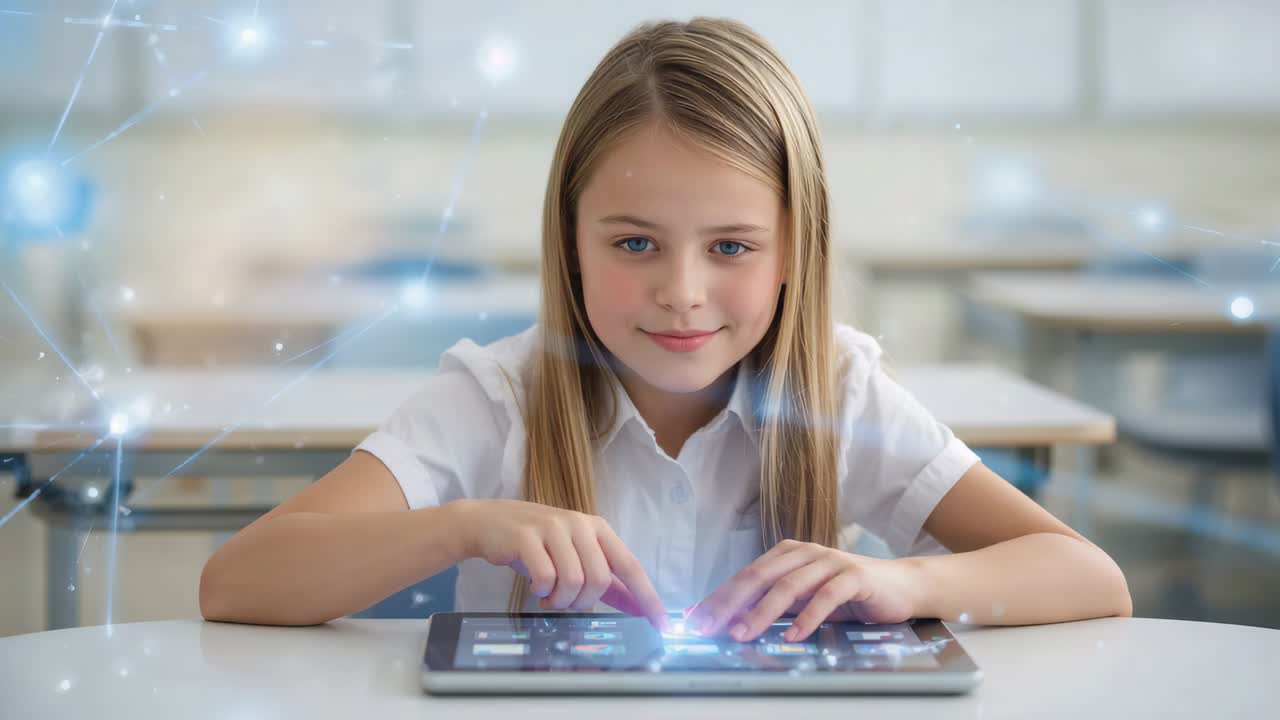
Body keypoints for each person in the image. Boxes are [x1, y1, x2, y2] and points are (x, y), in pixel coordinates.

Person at [200, 17, 1131, 642]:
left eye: (731, 247)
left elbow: (1089, 577)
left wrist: (909, 583)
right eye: (635, 243)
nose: (682, 293)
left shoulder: (836, 392)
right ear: (570, 242)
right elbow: (236, 582)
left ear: (793, 251)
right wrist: (462, 529)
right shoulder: (497, 399)